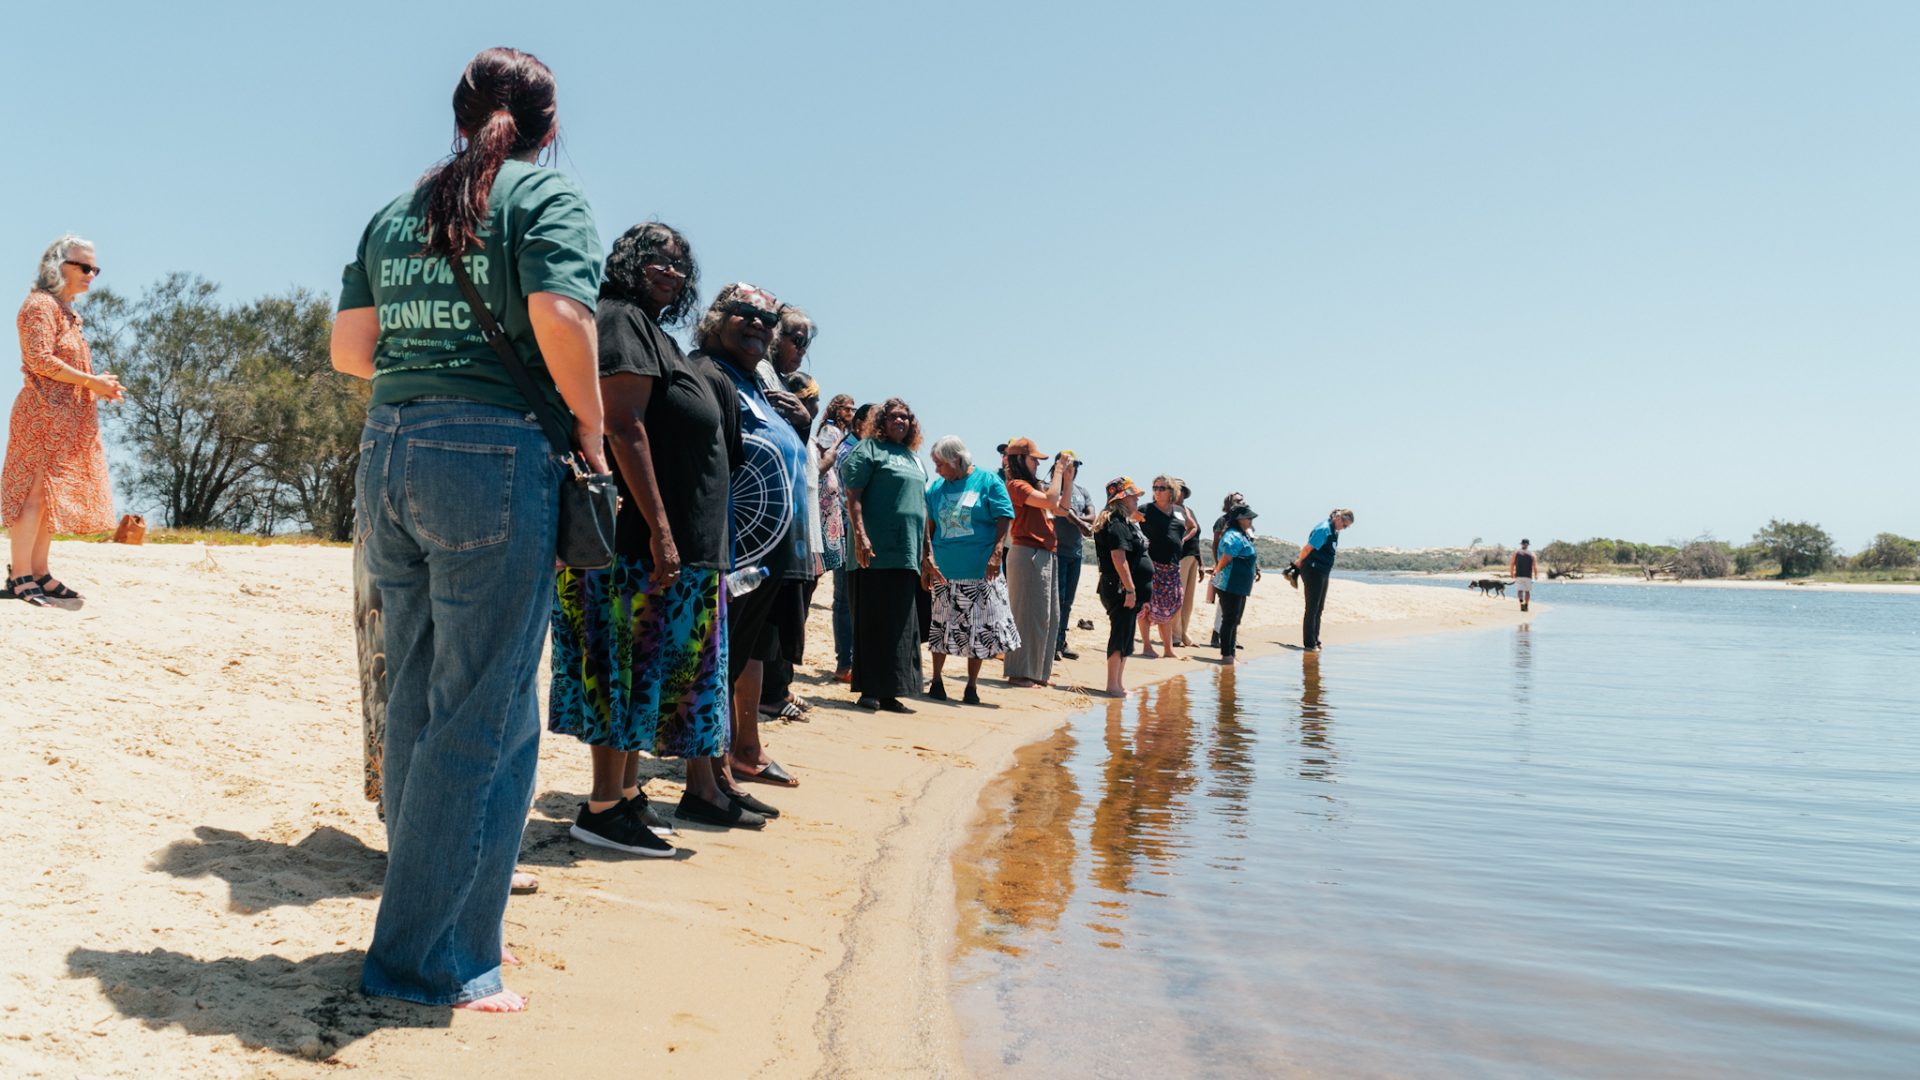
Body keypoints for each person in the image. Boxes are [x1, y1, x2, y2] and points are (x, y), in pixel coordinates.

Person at [330, 47, 605, 1013]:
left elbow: (350, 351)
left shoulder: (395, 212)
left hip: (388, 449)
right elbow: (562, 316)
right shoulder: (543, 200)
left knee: (416, 696)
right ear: (545, 123)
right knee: (485, 712)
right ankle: (429, 961)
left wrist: (430, 366)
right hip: (491, 455)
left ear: (461, 116)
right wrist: (593, 428)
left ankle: (439, 925)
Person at [548, 221, 755, 853]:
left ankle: (629, 796)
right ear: (628, 262)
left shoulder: (651, 332)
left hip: (664, 553)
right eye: (657, 258)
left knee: (646, 677)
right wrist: (664, 534)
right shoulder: (618, 320)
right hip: (633, 547)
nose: (672, 270)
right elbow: (623, 425)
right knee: (623, 669)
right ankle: (604, 806)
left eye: (681, 263)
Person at [698, 284, 806, 801]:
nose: (758, 325)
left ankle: (734, 758)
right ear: (715, 318)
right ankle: (710, 773)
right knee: (717, 660)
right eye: (744, 314)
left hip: (768, 552)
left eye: (766, 318)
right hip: (732, 549)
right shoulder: (710, 373)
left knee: (742, 655)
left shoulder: (756, 382)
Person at [5, 235, 121, 606]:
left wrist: (98, 385)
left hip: (68, 416)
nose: (91, 274)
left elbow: (67, 364)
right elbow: (39, 360)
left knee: (50, 498)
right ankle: (20, 574)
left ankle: (39, 572)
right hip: (42, 414)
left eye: (95, 269)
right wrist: (91, 381)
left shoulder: (68, 312)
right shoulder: (39, 306)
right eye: (84, 266)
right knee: (34, 495)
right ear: (58, 265)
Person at [843, 398, 934, 712]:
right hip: (872, 552)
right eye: (894, 417)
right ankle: (869, 690)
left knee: (900, 626)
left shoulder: (913, 458)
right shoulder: (868, 450)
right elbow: (852, 496)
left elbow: (920, 508)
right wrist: (861, 536)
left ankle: (891, 692)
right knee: (872, 622)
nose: (901, 422)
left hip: (906, 553)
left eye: (906, 417)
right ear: (881, 421)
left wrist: (928, 554)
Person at [924, 435, 1018, 705]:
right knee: (941, 627)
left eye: (940, 464)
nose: (937, 470)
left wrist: (997, 551)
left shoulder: (987, 481)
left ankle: (971, 686)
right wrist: (926, 561)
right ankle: (937, 681)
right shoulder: (936, 489)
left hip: (980, 569)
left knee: (977, 630)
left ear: (957, 460)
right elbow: (928, 528)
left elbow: (1004, 515)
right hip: (945, 571)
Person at [1001, 437, 1074, 687]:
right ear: (1020, 459)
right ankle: (1019, 672)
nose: (1038, 464)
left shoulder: (1035, 486)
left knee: (1047, 616)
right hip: (1027, 552)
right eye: (1034, 459)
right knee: (1027, 615)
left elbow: (1062, 509)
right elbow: (1050, 502)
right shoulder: (1016, 485)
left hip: (1044, 552)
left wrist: (1067, 480)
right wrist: (1059, 471)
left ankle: (1037, 673)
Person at [1093, 477, 1152, 696]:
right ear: (1122, 498)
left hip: (1125, 587)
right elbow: (1118, 558)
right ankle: (1112, 684)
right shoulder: (1115, 522)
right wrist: (1130, 588)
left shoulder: (1125, 521)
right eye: (1133, 495)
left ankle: (1118, 683)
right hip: (1119, 587)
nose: (1137, 499)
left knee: (1127, 633)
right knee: (1120, 633)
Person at [1136, 474, 1198, 659]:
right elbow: (1127, 520)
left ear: (1172, 491)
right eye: (1155, 488)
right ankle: (1147, 646)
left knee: (1168, 607)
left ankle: (1168, 649)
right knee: (1147, 607)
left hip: (1172, 566)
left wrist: (1182, 540)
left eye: (1162, 488)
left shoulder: (1179, 511)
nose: (1157, 491)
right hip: (1151, 564)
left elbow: (1193, 527)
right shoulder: (1146, 509)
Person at [1290, 508, 1355, 652]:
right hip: (1313, 570)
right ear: (1338, 519)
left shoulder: (1334, 531)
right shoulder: (1324, 529)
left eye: (1347, 527)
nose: (1344, 528)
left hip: (1323, 572)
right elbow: (1307, 548)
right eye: (1344, 525)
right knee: (1312, 608)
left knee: (1319, 608)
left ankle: (1315, 639)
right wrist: (1299, 562)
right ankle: (1309, 643)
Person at [1050, 451, 1094, 661]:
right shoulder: (1050, 487)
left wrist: (1080, 520)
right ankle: (1052, 644)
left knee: (1068, 602)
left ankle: (1061, 641)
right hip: (1055, 552)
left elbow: (1092, 515)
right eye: (1068, 465)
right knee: (1056, 600)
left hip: (1075, 553)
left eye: (1074, 465)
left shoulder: (1082, 491)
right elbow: (1061, 509)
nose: (1072, 469)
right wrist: (1080, 523)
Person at [1210, 504, 1259, 663]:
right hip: (1230, 584)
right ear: (1239, 519)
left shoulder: (1243, 534)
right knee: (1229, 618)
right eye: (1248, 518)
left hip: (1240, 585)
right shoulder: (1232, 536)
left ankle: (1232, 653)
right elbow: (1227, 556)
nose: (1251, 520)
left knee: (1235, 619)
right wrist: (1217, 570)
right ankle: (1226, 655)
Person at [1208, 491, 1249, 648]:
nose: (1241, 502)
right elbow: (1215, 543)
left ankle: (1231, 636)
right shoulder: (1222, 521)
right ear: (1229, 503)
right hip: (1226, 566)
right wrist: (1218, 564)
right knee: (1224, 603)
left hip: (1241, 569)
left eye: (1242, 500)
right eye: (1237, 500)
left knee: (1237, 604)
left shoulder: (1243, 522)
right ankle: (1216, 635)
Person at [1173, 482, 1202, 647]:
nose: (1180, 494)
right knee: (1178, 596)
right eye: (1177, 490)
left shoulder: (1188, 510)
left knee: (1188, 600)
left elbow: (1196, 535)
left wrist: (1201, 561)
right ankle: (1175, 634)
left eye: (1182, 491)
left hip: (1192, 557)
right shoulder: (1171, 510)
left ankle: (1184, 632)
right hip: (1179, 557)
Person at [1509, 538, 1539, 613]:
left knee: (1520, 590)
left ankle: (1521, 602)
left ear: (1521, 544)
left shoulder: (1516, 552)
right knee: (1527, 591)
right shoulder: (1532, 554)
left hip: (1519, 575)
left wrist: (1511, 573)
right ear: (1528, 545)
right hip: (1528, 575)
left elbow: (1512, 563)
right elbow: (1534, 566)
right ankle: (1526, 604)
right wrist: (1536, 575)